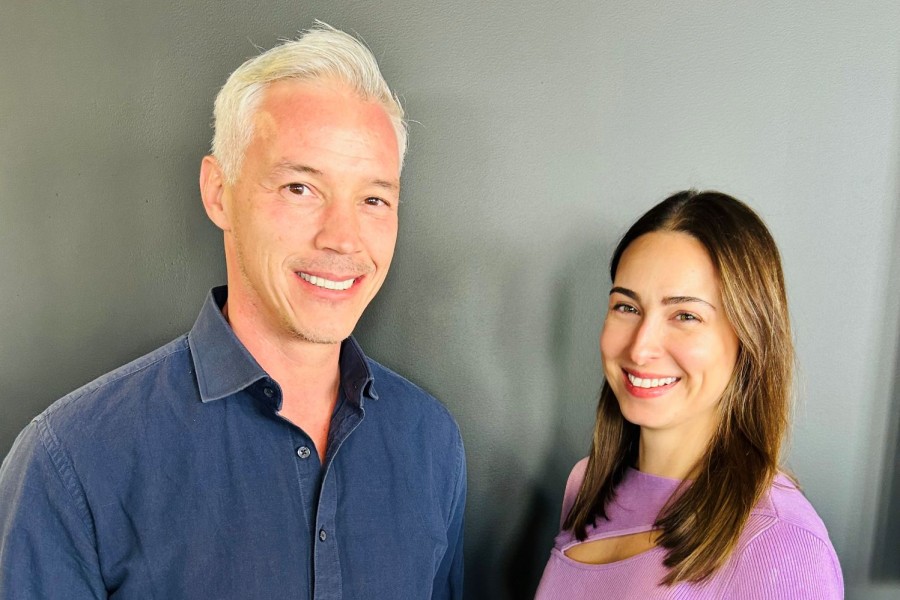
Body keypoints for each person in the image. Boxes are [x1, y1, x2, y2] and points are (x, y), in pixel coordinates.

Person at [0, 23, 465, 599]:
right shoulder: (72, 463)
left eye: (373, 199)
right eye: (300, 188)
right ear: (218, 191)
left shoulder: (431, 442)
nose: (343, 239)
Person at [536, 190, 842, 599]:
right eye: (627, 307)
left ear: (749, 338)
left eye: (685, 315)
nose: (640, 348)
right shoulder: (586, 484)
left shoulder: (785, 544)